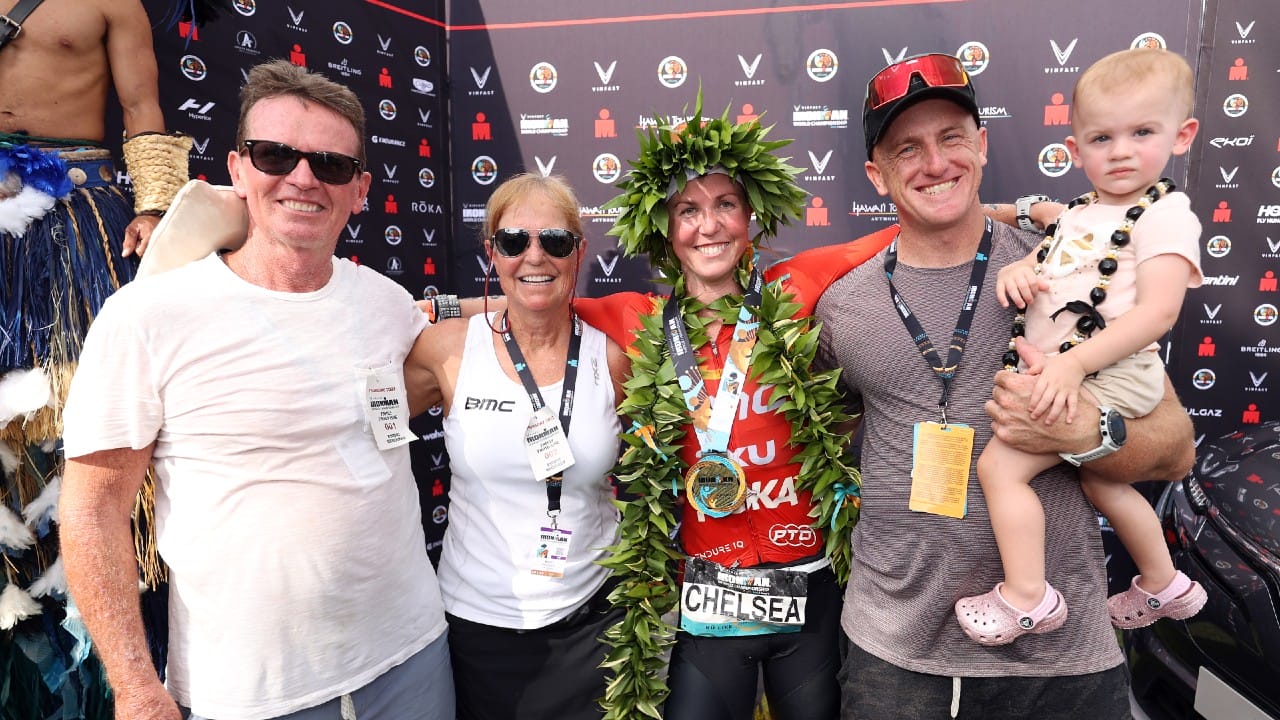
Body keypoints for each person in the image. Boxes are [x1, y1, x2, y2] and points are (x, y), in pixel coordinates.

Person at [58, 60, 452, 720]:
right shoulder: (148, 317)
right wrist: (133, 685)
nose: (303, 178)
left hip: (412, 660)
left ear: (360, 190)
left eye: (329, 165)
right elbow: (93, 509)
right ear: (238, 170)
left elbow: (447, 363)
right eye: (277, 155)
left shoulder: (385, 305)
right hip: (248, 695)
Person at [814, 52, 1195, 718]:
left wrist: (1090, 432)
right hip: (894, 656)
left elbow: (1175, 448)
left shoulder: (1066, 263)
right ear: (877, 176)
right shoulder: (841, 306)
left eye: (952, 137)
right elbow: (838, 436)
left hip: (1066, 655)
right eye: (908, 148)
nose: (935, 163)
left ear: (983, 144)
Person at [573, 99, 890, 720]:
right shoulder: (639, 319)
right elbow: (543, 299)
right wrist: (444, 311)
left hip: (811, 590)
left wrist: (1020, 213)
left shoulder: (793, 288)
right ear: (666, 229)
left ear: (751, 217)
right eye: (688, 210)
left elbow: (901, 229)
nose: (708, 225)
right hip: (711, 594)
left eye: (725, 205)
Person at [959, 47, 1207, 644]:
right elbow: (1048, 221)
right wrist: (1014, 274)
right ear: (1075, 151)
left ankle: (1029, 597)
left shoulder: (1166, 214)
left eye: (1142, 132)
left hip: (1106, 372)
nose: (1121, 151)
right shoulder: (1084, 210)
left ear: (1183, 135)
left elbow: (1159, 311)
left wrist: (1072, 367)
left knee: (999, 465)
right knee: (1104, 482)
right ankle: (1164, 581)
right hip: (1077, 367)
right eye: (1101, 138)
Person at [0, 2, 191, 717]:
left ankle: (104, 667)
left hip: (75, 222)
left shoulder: (113, 2)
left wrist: (156, 205)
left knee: (81, 426)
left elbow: (143, 106)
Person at [402, 173, 631, 720]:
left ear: (578, 252)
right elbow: (359, 421)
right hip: (474, 627)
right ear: (492, 252)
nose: (535, 256)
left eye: (554, 241)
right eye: (513, 242)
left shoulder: (613, 358)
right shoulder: (446, 351)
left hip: (592, 622)